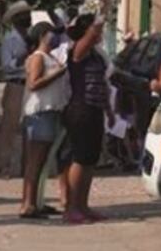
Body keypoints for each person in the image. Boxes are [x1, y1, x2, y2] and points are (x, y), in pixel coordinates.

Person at [19, 18, 69, 219]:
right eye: (51, 33)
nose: (55, 36)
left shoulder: (50, 57)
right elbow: (34, 83)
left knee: (42, 161)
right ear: (42, 36)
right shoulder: (38, 57)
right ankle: (28, 204)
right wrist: (58, 74)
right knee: (35, 161)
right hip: (40, 112)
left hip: (51, 111)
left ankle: (35, 201)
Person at [63, 12, 107, 224]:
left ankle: (83, 205)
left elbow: (103, 83)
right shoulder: (78, 51)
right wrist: (101, 12)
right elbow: (92, 34)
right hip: (81, 108)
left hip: (95, 109)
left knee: (90, 160)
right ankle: (72, 206)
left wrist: (110, 111)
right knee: (80, 158)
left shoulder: (97, 55)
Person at [0, 0, 33, 178]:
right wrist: (23, 57)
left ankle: (27, 165)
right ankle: (4, 165)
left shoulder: (34, 36)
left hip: (32, 84)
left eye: (28, 15)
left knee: (30, 127)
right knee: (9, 128)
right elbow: (6, 66)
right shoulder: (9, 40)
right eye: (22, 16)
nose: (27, 18)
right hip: (15, 84)